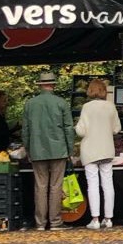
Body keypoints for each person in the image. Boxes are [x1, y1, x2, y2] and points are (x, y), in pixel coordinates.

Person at [21, 71, 75, 231]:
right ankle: (56, 222)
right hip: (58, 149)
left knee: (40, 186)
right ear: (53, 85)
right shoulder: (61, 103)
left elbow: (25, 129)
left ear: (40, 85)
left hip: (37, 149)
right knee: (56, 186)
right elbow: (68, 128)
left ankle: (40, 223)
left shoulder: (30, 104)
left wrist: (28, 149)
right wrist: (70, 149)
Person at [75, 78, 121, 229]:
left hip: (90, 150)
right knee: (108, 184)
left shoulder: (86, 107)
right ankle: (108, 219)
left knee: (92, 184)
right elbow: (117, 129)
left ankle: (95, 219)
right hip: (107, 149)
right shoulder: (110, 106)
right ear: (103, 91)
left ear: (90, 91)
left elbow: (81, 131)